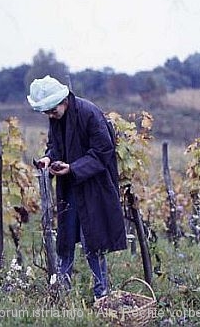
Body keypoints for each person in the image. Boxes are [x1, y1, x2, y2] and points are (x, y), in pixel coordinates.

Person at [27, 75, 126, 299]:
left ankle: (102, 295)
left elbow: (103, 152)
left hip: (94, 186)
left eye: (52, 111)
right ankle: (63, 292)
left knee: (94, 240)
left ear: (63, 101)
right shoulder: (57, 117)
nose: (50, 116)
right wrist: (47, 158)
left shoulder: (90, 113)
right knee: (66, 238)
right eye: (47, 113)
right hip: (70, 186)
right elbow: (54, 146)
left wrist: (73, 167)